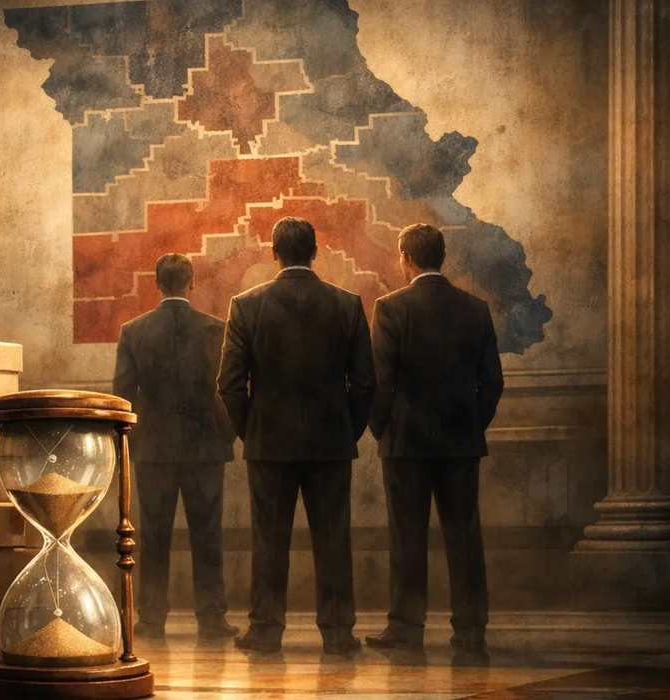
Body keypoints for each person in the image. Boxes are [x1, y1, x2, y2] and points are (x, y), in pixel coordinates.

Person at [218, 217, 375, 656]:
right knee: (333, 539)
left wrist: (253, 431)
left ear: (274, 253)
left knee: (268, 542)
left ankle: (266, 631)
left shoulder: (246, 305)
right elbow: (364, 384)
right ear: (315, 251)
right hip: (331, 441)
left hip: (269, 443)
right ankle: (339, 633)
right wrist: (348, 428)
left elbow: (229, 384)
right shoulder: (347, 305)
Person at [365, 223, 503, 654]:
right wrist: (471, 424)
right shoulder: (475, 308)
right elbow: (492, 382)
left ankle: (406, 628)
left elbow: (380, 382)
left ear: (405, 258)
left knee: (407, 536)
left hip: (406, 443)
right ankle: (470, 630)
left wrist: (381, 427)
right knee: (464, 535)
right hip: (460, 441)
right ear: (441, 256)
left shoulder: (390, 308)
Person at [113, 253, 238, 641]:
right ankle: (212, 618)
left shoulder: (134, 331)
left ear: (156, 283)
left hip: (153, 449)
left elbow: (123, 394)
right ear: (192, 281)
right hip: (204, 447)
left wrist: (136, 443)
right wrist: (226, 435)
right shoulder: (215, 329)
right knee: (207, 535)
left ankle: (151, 618)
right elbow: (228, 391)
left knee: (153, 536)